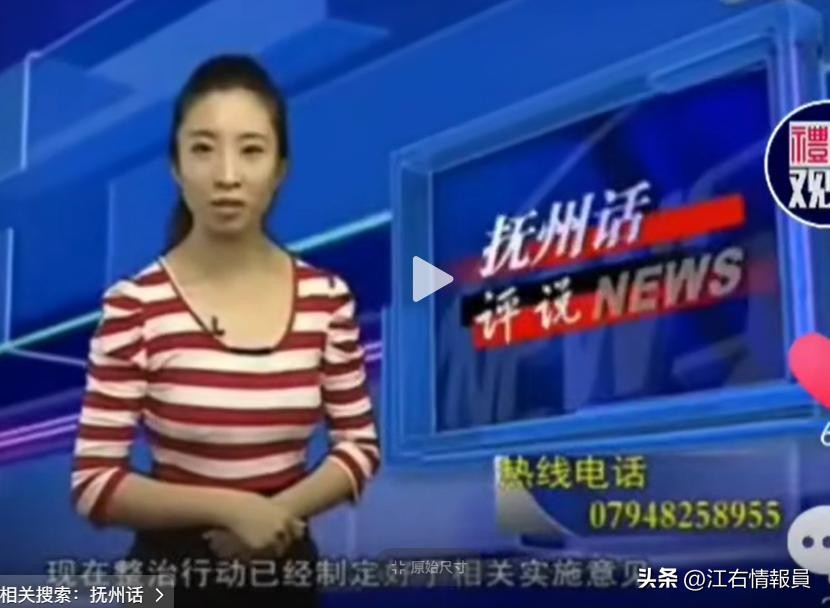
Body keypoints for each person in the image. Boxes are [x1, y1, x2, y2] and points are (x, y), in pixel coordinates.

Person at [69, 54, 380, 607]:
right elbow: (95, 483)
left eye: (251, 150)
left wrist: (276, 513)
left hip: (283, 573)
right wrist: (231, 509)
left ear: (280, 168)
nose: (227, 176)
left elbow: (358, 447)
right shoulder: (135, 306)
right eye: (203, 149)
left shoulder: (326, 299)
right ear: (176, 166)